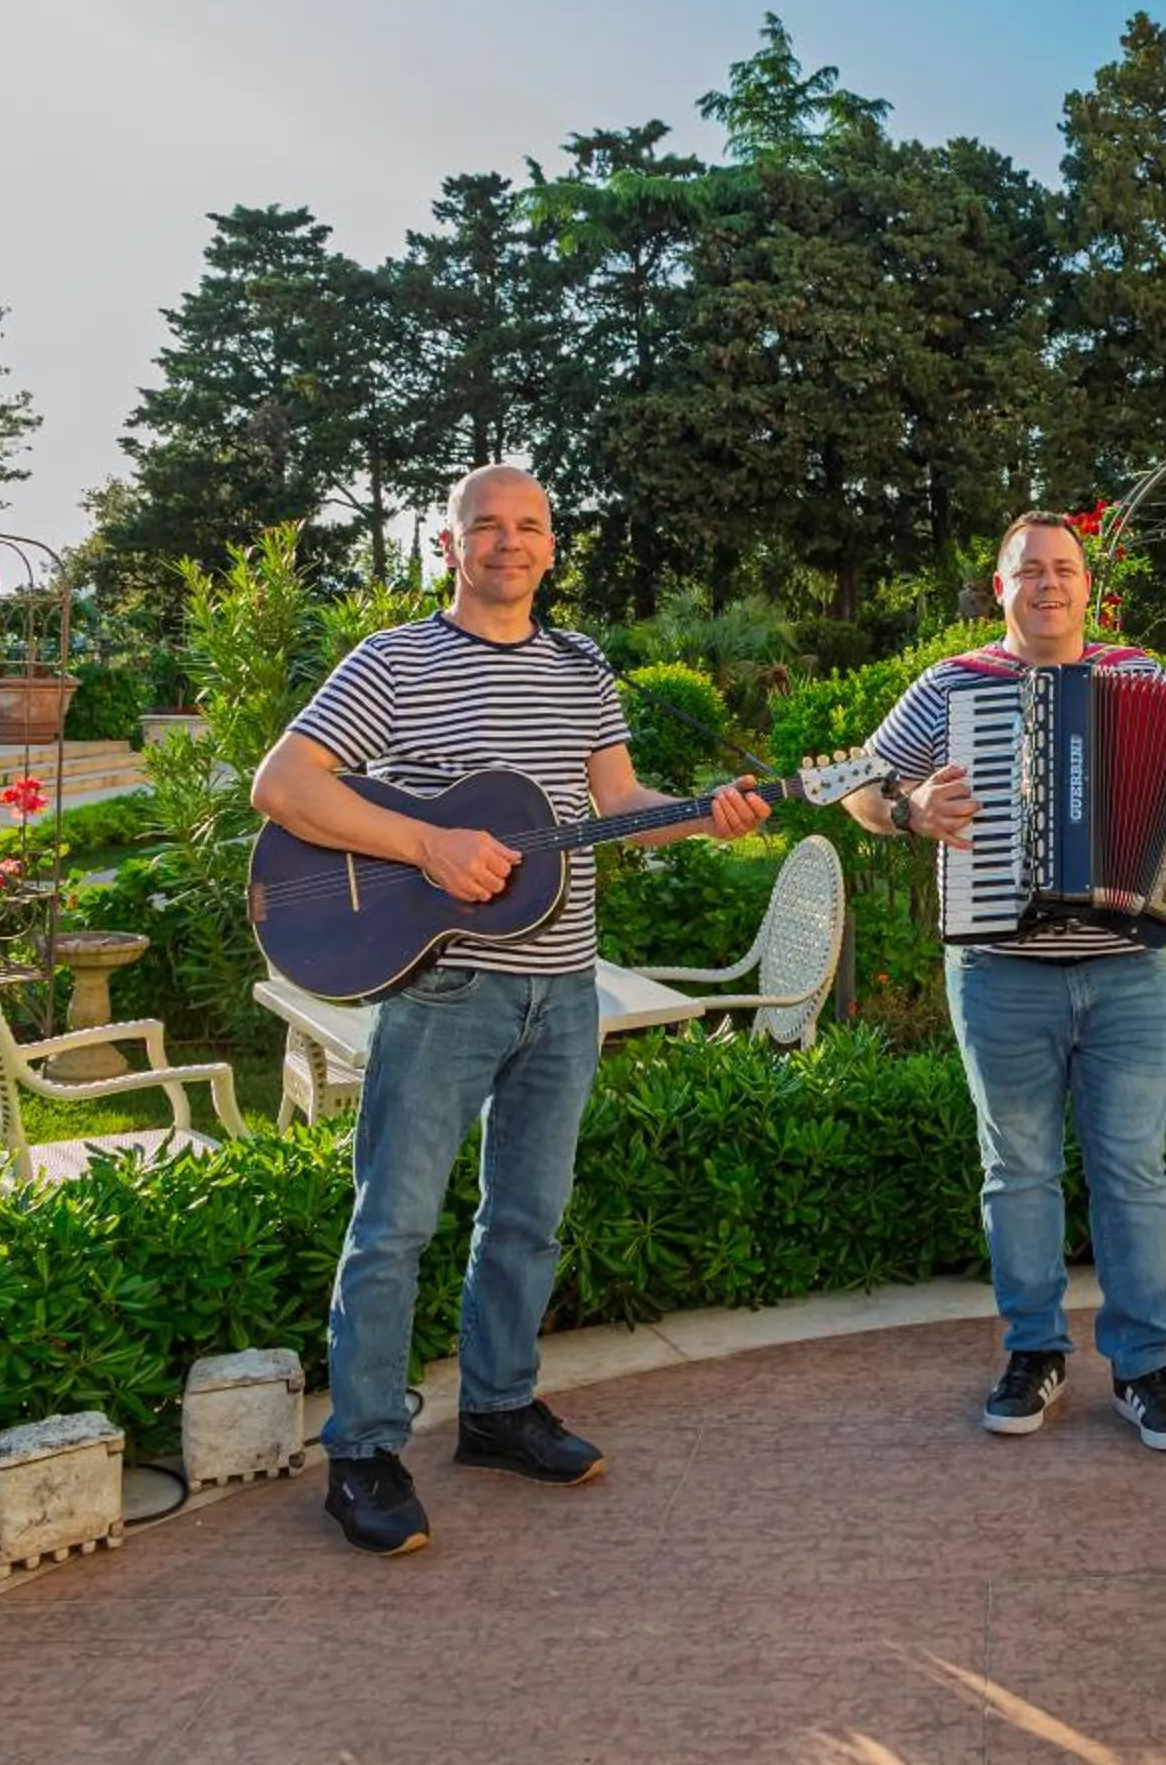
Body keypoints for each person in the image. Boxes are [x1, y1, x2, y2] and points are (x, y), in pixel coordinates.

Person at [250, 465, 770, 1554]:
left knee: (527, 1217)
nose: (508, 542)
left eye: (529, 525)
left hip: (567, 986)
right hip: (445, 987)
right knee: (393, 1225)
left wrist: (704, 817)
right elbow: (283, 785)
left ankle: (497, 1410)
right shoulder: (394, 659)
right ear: (448, 545)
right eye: (485, 525)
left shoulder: (581, 667)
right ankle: (363, 1451)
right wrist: (428, 843)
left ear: (551, 545)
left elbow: (617, 802)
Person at [848, 511, 1166, 1452]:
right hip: (1000, 970)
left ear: (1087, 585)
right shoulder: (953, 684)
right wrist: (909, 810)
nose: (1049, 584)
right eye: (1029, 570)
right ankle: (1033, 1351)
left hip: (1127, 970)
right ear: (1001, 588)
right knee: (1018, 1170)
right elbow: (862, 788)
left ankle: (1144, 1365)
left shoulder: (1144, 679)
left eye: (1065, 569)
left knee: (1134, 1171)